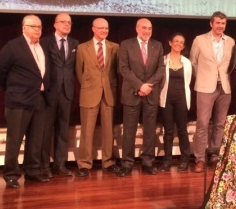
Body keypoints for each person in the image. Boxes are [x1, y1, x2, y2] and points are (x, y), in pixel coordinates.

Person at [0, 14, 51, 188]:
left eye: (40, 27)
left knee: (35, 139)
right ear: (23, 28)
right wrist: (13, 89)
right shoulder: (13, 46)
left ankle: (32, 171)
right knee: (15, 139)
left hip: (39, 99)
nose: (38, 30)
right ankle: (11, 174)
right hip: (18, 100)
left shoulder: (42, 47)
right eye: (34, 26)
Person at [189, 11, 235, 173]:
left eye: (223, 23)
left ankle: (215, 156)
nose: (220, 26)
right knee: (202, 124)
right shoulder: (199, 40)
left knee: (220, 124)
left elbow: (231, 64)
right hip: (205, 87)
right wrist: (203, 78)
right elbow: (193, 62)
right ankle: (200, 159)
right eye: (217, 23)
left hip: (224, 87)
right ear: (211, 24)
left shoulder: (230, 41)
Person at [118, 18, 165, 176]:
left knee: (150, 130)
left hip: (150, 94)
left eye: (150, 28)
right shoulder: (126, 44)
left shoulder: (157, 45)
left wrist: (148, 86)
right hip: (132, 93)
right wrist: (140, 86)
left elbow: (160, 69)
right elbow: (123, 69)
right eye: (144, 28)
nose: (147, 31)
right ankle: (127, 163)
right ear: (137, 29)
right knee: (129, 130)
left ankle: (148, 162)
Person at [75, 18, 120, 177]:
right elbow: (79, 72)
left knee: (108, 130)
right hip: (89, 92)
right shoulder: (82, 48)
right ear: (93, 29)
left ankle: (108, 162)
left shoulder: (115, 47)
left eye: (106, 28)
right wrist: (89, 85)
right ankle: (84, 164)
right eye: (100, 28)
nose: (104, 31)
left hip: (108, 93)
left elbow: (115, 72)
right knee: (87, 130)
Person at [39, 13, 79, 177]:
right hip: (49, 92)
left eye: (69, 22)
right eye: (63, 22)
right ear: (55, 25)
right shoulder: (45, 42)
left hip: (67, 92)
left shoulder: (75, 43)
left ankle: (60, 164)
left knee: (63, 130)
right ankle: (43, 166)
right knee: (45, 130)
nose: (67, 25)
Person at [159, 33, 192, 172]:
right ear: (170, 43)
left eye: (181, 42)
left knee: (182, 130)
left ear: (183, 46)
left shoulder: (187, 62)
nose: (178, 44)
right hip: (167, 99)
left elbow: (188, 81)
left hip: (181, 99)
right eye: (176, 41)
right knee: (168, 131)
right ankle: (167, 160)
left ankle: (185, 160)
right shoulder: (163, 60)